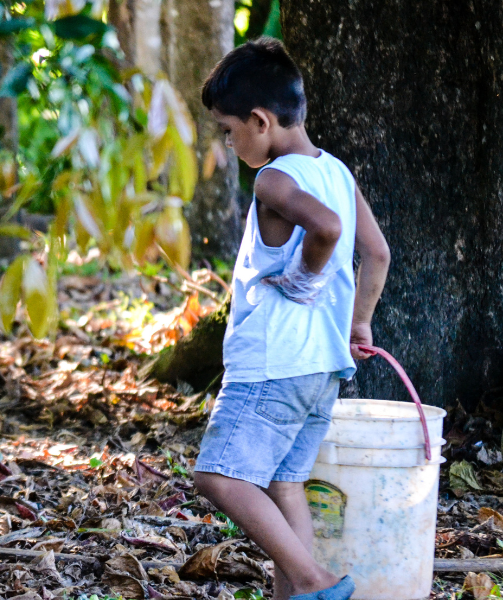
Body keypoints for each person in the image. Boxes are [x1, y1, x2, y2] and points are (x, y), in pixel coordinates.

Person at [192, 38, 391, 600]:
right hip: (321, 366)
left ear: (260, 120)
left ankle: (313, 580)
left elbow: (326, 230)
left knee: (218, 476)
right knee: (285, 485)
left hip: (272, 363)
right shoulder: (337, 172)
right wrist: (360, 324)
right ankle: (300, 593)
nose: (230, 144)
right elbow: (377, 253)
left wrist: (305, 277)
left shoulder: (275, 180)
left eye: (230, 131)